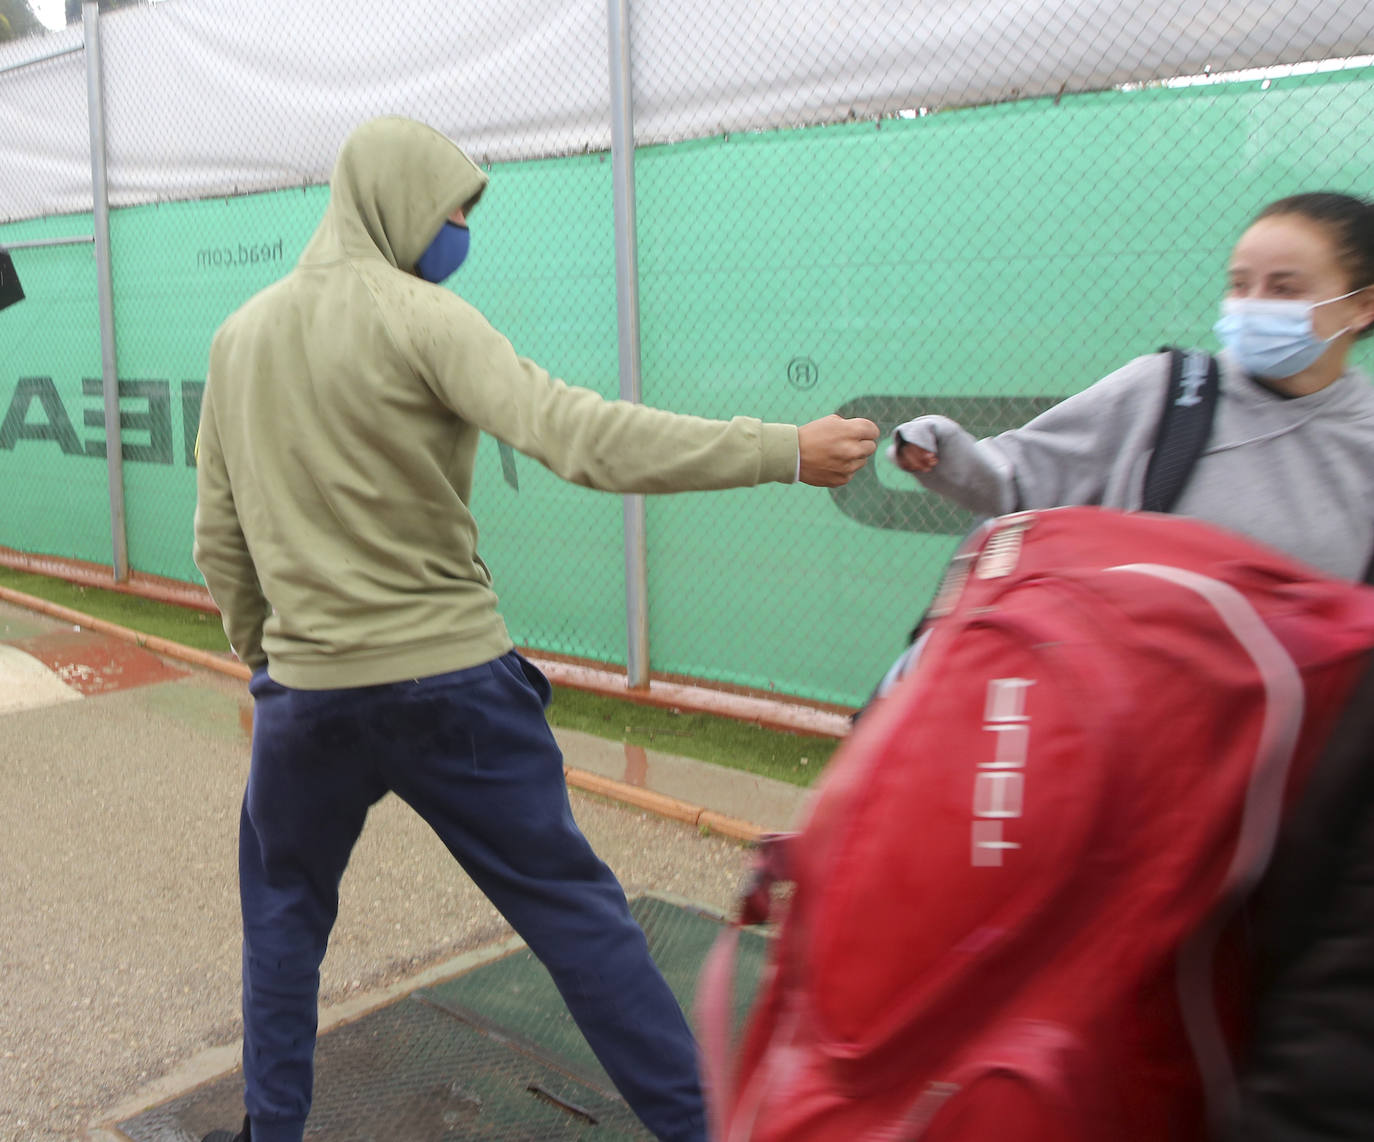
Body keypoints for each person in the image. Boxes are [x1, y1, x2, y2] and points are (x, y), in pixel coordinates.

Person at [192, 116, 878, 1142]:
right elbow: (586, 438)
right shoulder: (425, 319)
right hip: (454, 689)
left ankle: (269, 1130)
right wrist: (783, 446)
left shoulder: (238, 337)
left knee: (283, 922)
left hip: (309, 699)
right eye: (454, 210)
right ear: (400, 203)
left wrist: (271, 665)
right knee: (578, 917)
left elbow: (219, 536)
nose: (462, 230)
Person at [888, 192, 1374, 582]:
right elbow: (1019, 477)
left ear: (1362, 306)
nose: (1252, 305)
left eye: (1285, 289)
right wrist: (943, 450)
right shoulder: (1171, 390)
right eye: (1240, 284)